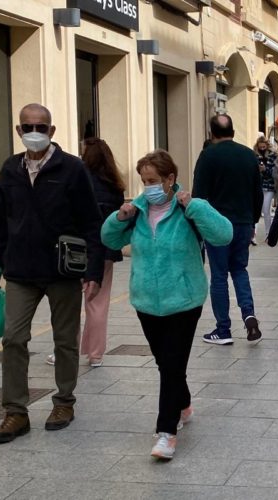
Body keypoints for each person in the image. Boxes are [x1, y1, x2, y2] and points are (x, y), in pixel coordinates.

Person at [102, 150, 232, 460]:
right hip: (147, 301)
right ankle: (183, 403)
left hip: (184, 300)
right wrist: (119, 217)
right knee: (166, 363)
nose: (148, 187)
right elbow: (108, 240)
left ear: (170, 179)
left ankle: (166, 433)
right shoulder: (137, 210)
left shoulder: (188, 209)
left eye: (154, 181)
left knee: (171, 364)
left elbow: (223, 235)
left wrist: (196, 206)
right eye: (144, 181)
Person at [0, 104, 104, 444]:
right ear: (18, 130)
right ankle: (15, 412)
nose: (33, 131)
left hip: (62, 269)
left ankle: (64, 402)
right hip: (21, 270)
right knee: (13, 339)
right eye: (27, 126)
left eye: (40, 126)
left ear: (52, 131)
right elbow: (3, 220)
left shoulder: (72, 168)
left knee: (65, 340)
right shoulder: (10, 168)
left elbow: (91, 221)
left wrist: (93, 269)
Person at [192, 114, 263, 345]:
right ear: (233, 131)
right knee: (240, 270)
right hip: (243, 222)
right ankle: (249, 315)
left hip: (217, 225)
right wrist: (252, 221)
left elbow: (199, 196)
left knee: (219, 276)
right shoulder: (248, 155)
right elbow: (258, 193)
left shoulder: (208, 155)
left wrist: (197, 226)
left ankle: (223, 329)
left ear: (212, 133)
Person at [78, 138, 126, 367]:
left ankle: (68, 350)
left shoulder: (80, 181)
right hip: (106, 249)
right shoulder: (115, 185)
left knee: (69, 304)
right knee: (98, 302)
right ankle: (94, 353)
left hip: (80, 249)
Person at [253, 136, 277, 244]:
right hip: (257, 186)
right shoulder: (253, 156)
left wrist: (265, 170)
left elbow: (274, 173)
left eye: (264, 146)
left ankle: (268, 234)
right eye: (260, 146)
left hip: (269, 186)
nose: (262, 148)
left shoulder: (273, 156)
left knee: (266, 210)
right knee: (256, 210)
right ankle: (253, 235)